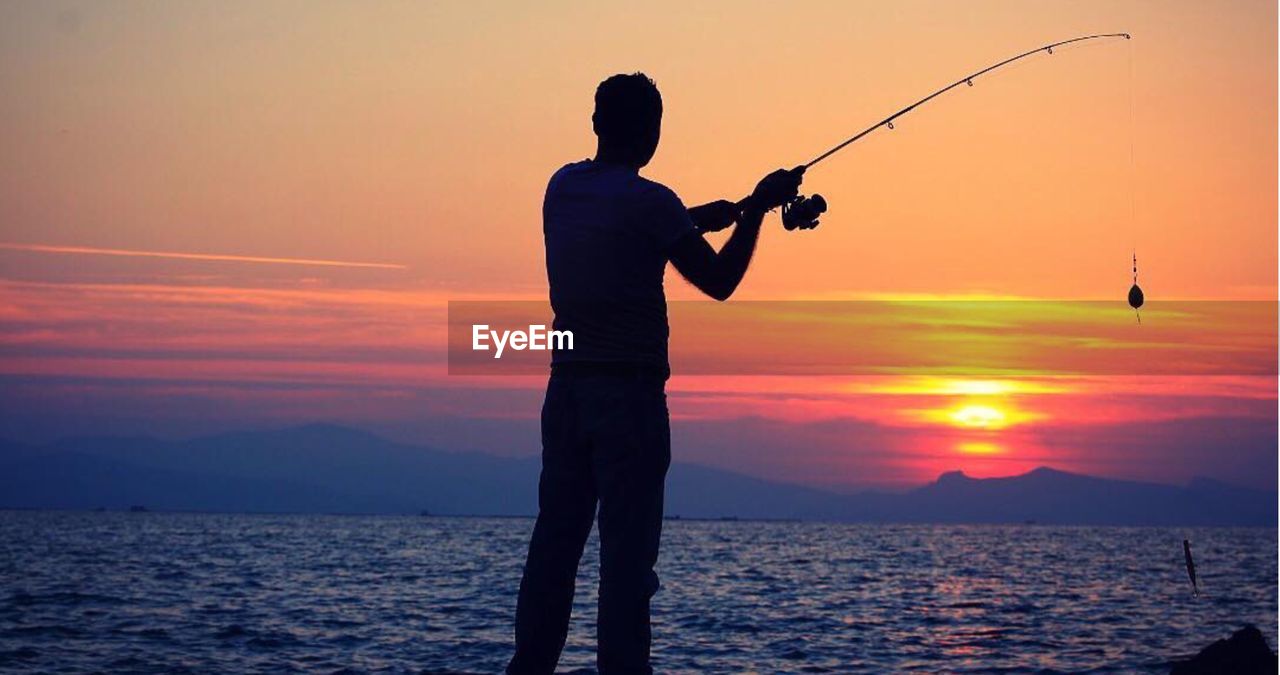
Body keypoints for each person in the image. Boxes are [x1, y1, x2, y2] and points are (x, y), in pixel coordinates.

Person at [507, 72, 803, 675]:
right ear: (652, 131)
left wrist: (710, 215)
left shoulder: (561, 188)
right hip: (630, 401)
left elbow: (627, 230)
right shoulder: (653, 203)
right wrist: (756, 214)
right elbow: (718, 282)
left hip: (565, 395)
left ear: (596, 124)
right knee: (626, 563)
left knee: (554, 548)